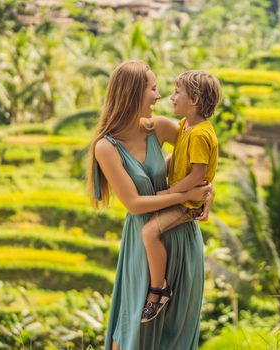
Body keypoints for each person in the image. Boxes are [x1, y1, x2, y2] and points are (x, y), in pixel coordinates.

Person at [87, 60, 214, 350]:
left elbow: (200, 161)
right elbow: (134, 204)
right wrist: (184, 196)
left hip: (182, 238)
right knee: (134, 332)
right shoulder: (106, 146)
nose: (158, 96)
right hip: (143, 243)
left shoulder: (161, 128)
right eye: (153, 88)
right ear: (132, 93)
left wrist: (208, 190)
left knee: (176, 335)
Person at [140, 71, 221, 323]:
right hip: (184, 196)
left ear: (195, 99)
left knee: (149, 232)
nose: (171, 98)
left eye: (178, 93)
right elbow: (180, 158)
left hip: (187, 204)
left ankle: (158, 290)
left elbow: (198, 175)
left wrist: (170, 192)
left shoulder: (199, 134)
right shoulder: (188, 126)